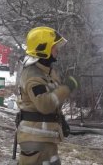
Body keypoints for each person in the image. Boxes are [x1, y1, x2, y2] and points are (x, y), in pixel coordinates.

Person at [15, 26, 78, 165]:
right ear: (43, 48)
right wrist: (67, 87)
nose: (57, 50)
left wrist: (60, 120)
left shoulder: (45, 72)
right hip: (35, 140)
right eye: (54, 46)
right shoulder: (33, 75)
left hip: (44, 138)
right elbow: (45, 104)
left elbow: (52, 102)